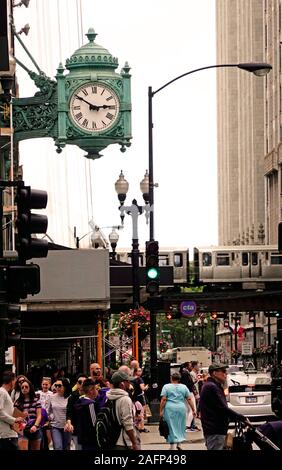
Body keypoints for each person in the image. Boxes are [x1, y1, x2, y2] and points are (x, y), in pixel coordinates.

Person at [199, 363, 250, 450]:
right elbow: (222, 408)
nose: (225, 374)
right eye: (223, 371)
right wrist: (241, 418)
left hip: (216, 429)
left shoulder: (213, 386)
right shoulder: (211, 387)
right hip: (215, 430)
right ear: (214, 373)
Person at [160, 371, 197, 451]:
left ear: (171, 378)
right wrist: (193, 409)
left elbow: (163, 399)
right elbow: (189, 399)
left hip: (169, 408)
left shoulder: (166, 387)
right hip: (181, 408)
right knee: (180, 425)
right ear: (179, 379)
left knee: (171, 426)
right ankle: (179, 443)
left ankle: (172, 445)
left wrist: (161, 410)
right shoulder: (184, 387)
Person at [106, 370, 139, 450]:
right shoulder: (125, 399)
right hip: (123, 442)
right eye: (127, 381)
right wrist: (134, 442)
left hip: (111, 439)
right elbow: (128, 424)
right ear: (122, 384)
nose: (129, 383)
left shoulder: (108, 397)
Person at [14, 379, 42, 450]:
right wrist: (21, 415)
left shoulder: (36, 400)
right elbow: (14, 416)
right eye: (22, 387)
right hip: (22, 430)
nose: (24, 388)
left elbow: (39, 415)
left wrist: (35, 426)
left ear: (30, 388)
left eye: (26, 387)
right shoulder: (17, 402)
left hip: (35, 429)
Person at [0, 371, 25, 451]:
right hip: (6, 435)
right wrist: (14, 419)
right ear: (11, 380)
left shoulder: (5, 392)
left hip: (10, 433)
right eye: (15, 381)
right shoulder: (2, 392)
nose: (15, 383)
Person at [47, 378, 72, 450]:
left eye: (59, 386)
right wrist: (51, 417)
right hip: (55, 426)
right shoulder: (51, 397)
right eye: (56, 385)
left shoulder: (70, 398)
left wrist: (70, 423)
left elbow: (71, 412)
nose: (57, 387)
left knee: (66, 447)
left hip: (67, 426)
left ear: (65, 386)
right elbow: (49, 411)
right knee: (58, 447)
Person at [74, 378, 99, 450]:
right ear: (91, 390)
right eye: (96, 389)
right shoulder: (91, 404)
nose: (97, 391)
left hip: (81, 437)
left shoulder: (80, 402)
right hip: (91, 440)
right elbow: (94, 423)